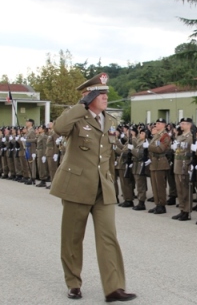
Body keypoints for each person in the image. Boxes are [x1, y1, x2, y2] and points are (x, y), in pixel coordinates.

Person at [49, 73, 135, 302]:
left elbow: (107, 156)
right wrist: (80, 105)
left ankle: (114, 288)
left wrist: (111, 183)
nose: (106, 97)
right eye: (101, 93)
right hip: (76, 185)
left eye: (106, 93)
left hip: (103, 187)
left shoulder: (110, 121)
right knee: (72, 238)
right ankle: (73, 283)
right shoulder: (76, 118)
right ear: (89, 96)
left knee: (108, 237)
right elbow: (58, 127)